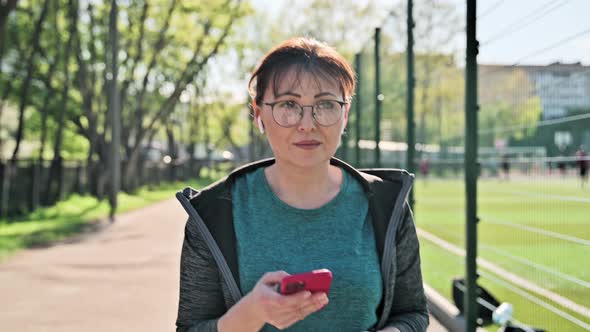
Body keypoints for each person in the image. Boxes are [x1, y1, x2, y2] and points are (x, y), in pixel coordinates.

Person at [175, 37, 429, 332]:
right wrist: (251, 312)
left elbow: (412, 313)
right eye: (288, 105)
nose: (307, 123)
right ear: (259, 115)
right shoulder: (213, 213)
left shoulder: (386, 204)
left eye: (325, 105)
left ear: (345, 115)